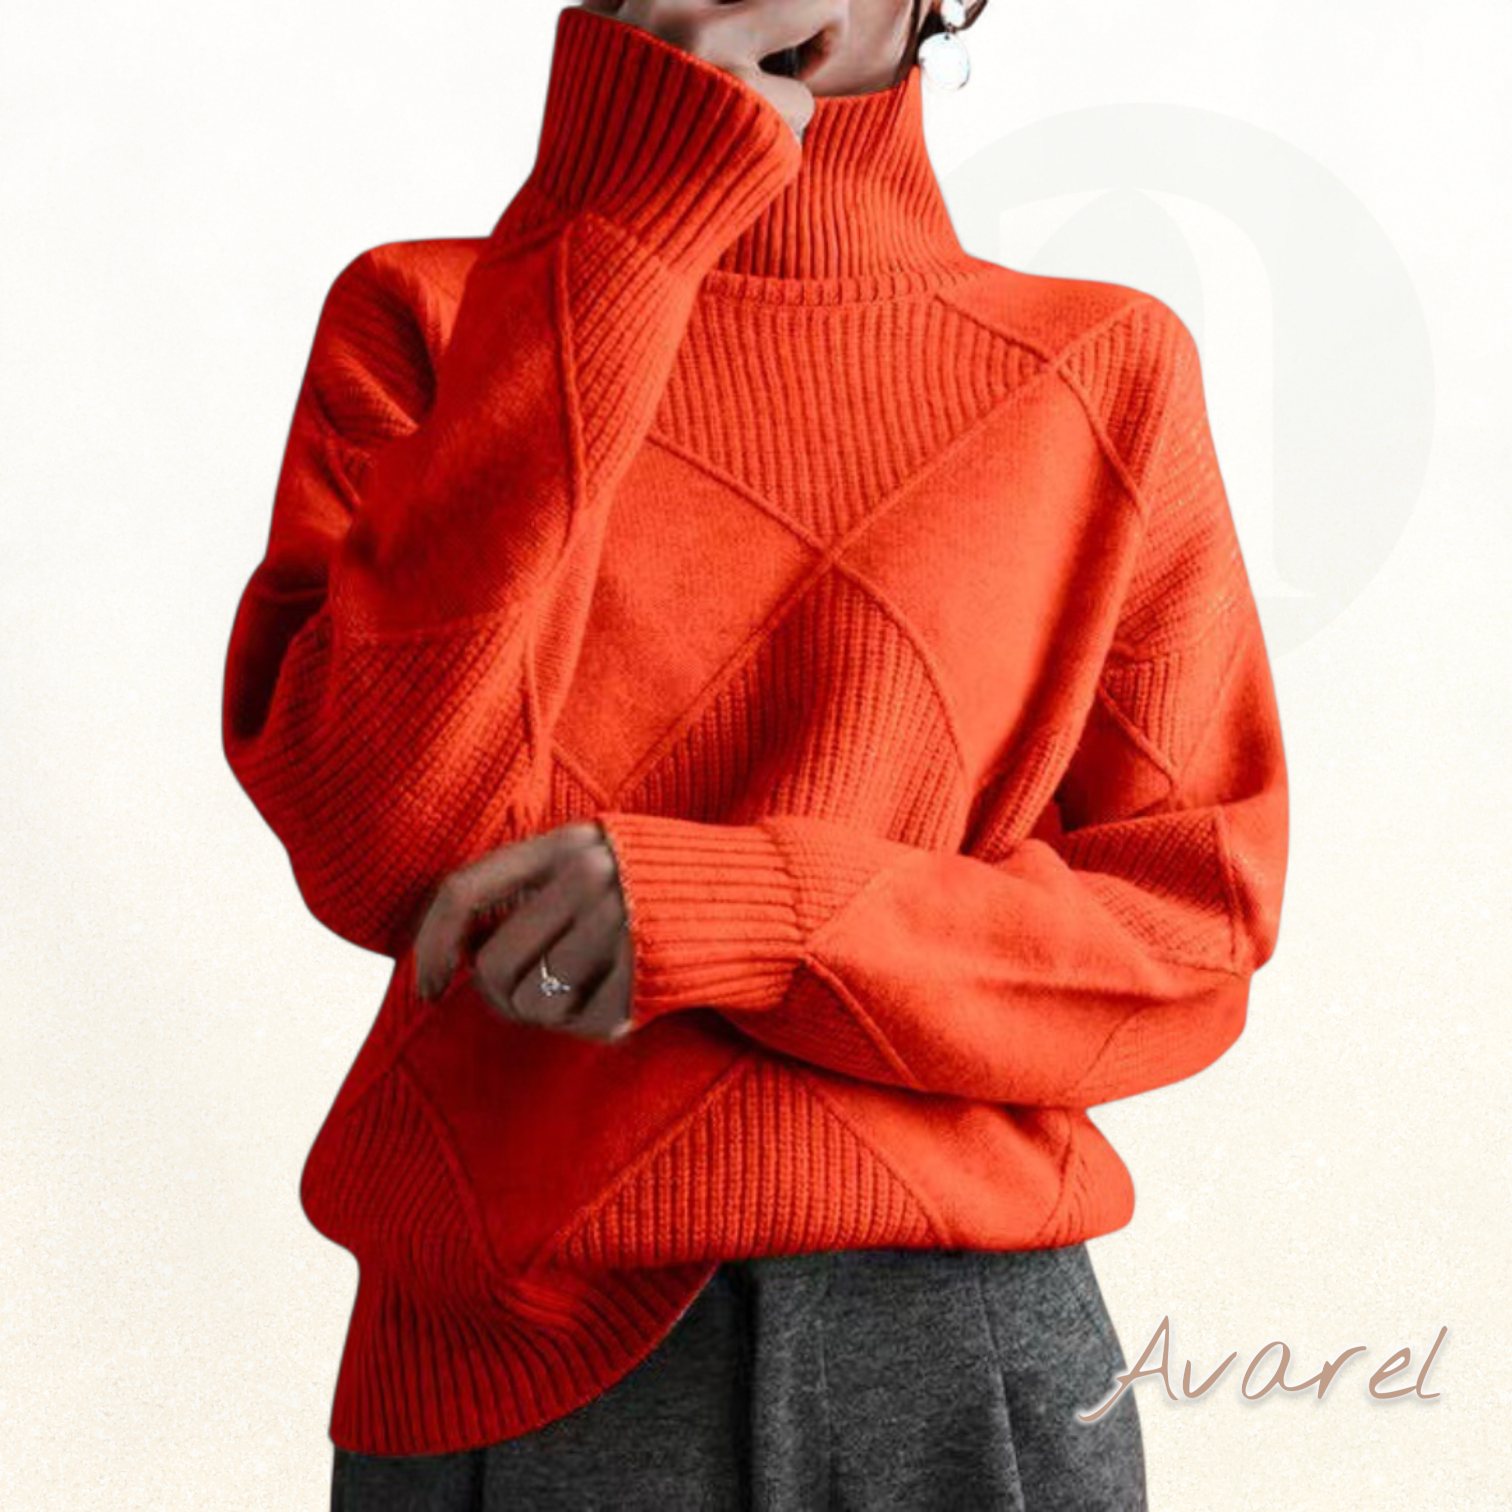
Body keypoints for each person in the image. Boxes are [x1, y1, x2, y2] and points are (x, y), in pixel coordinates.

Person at [221, 0, 1290, 1506]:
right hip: (513, 1361)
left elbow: (1191, 933)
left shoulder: (1101, 369)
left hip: (958, 1347)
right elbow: (376, 844)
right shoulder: (431, 320)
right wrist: (621, 217)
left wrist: (751, 913)